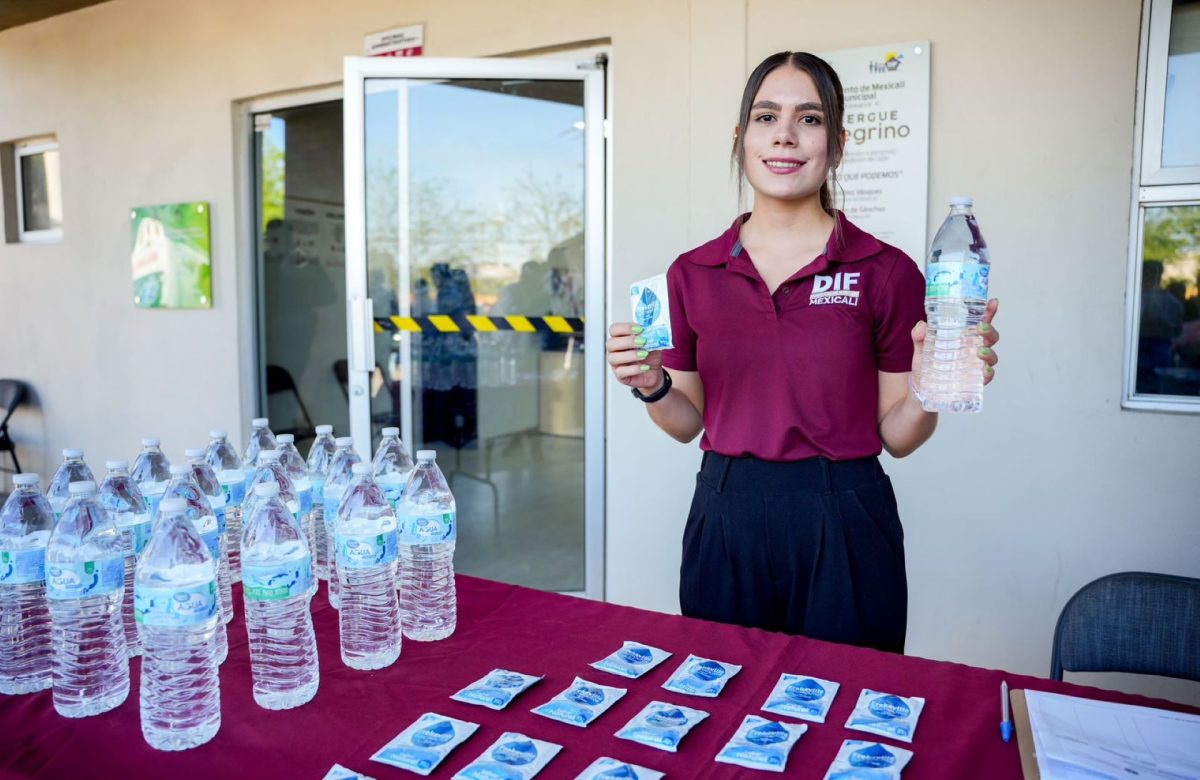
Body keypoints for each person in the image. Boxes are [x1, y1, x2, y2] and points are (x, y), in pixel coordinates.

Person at [606, 51, 1001, 653]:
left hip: (844, 515)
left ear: (837, 144)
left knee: (848, 710)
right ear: (741, 139)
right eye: (766, 117)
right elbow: (685, 423)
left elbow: (898, 434)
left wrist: (929, 385)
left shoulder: (885, 271)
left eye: (809, 119)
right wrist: (652, 384)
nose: (785, 135)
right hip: (725, 510)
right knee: (718, 703)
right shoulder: (692, 273)